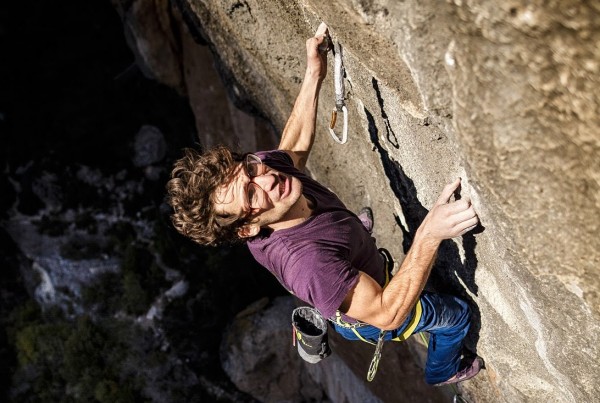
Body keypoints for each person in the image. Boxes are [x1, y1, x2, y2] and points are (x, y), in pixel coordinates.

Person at [166, 22, 483, 386]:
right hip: (370, 314)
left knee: (337, 248)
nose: (267, 178)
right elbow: (386, 313)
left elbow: (293, 148)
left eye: (250, 168)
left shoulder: (265, 174)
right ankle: (443, 370)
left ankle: (348, 242)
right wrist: (429, 234)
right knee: (455, 316)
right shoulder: (310, 263)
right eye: (251, 195)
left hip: (337, 274)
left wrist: (314, 72)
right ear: (247, 228)